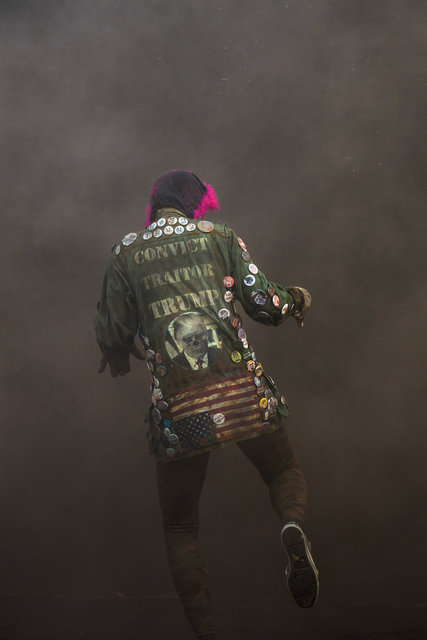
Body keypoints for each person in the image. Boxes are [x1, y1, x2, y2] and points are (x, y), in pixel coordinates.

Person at [95, 170, 319, 639]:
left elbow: (113, 330)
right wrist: (296, 300)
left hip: (183, 414)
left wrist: (115, 349)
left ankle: (207, 633)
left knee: (181, 528)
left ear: (156, 204)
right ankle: (291, 526)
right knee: (283, 472)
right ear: (194, 202)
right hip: (242, 397)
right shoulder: (219, 237)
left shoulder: (125, 253)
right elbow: (264, 304)